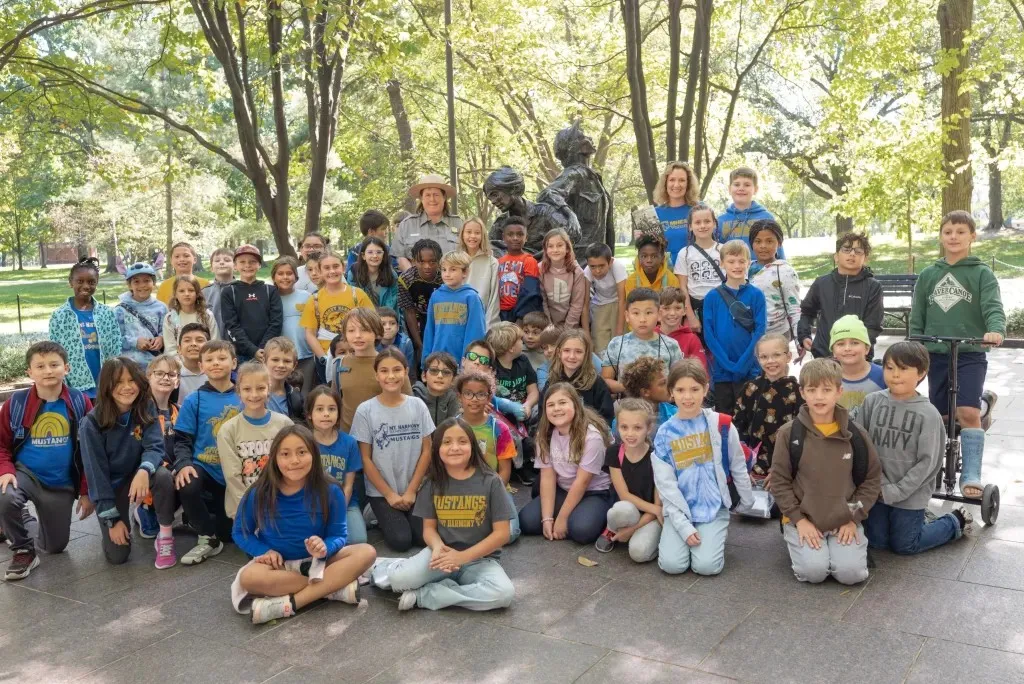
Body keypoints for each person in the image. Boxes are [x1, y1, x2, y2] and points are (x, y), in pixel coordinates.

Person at [231, 425, 377, 624]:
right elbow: (241, 532)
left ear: (314, 454)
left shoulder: (331, 489)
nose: (294, 461)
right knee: (249, 578)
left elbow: (338, 535)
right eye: (285, 454)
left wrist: (325, 548)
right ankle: (332, 589)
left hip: (318, 562)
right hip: (279, 568)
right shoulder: (259, 492)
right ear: (274, 458)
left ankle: (291, 604)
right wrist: (264, 551)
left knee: (366, 552)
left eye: (302, 452)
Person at [910, 210, 1005, 499]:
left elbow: (992, 306)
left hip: (970, 352)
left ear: (972, 236)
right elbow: (918, 314)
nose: (954, 237)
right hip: (936, 352)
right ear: (941, 236)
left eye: (961, 232)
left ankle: (971, 472)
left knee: (967, 413)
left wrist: (995, 330)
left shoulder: (981, 273)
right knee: (939, 415)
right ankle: (932, 466)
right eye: (948, 232)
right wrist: (916, 344)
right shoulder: (929, 275)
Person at [375, 417, 515, 612]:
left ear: (472, 446)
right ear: (437, 449)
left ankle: (426, 595)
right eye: (447, 442)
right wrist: (438, 547)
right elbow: (429, 529)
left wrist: (462, 557)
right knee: (399, 580)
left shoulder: (491, 481)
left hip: (480, 559)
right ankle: (386, 566)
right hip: (441, 556)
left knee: (503, 594)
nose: (455, 447)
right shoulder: (432, 483)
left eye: (462, 441)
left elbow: (502, 534)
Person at [853, 341, 974, 555]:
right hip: (878, 489)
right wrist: (881, 485)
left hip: (911, 493)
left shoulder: (928, 414)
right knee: (876, 541)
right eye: (890, 367)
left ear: (921, 373)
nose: (895, 375)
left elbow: (928, 463)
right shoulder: (872, 402)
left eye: (903, 368)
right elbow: (862, 447)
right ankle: (916, 520)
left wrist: (898, 490)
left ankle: (955, 521)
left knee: (905, 545)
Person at [769, 358, 881, 585]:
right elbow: (779, 481)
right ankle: (799, 540)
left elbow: (871, 480)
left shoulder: (856, 435)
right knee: (814, 573)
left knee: (851, 575)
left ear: (839, 392)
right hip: (803, 518)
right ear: (802, 392)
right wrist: (799, 520)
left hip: (844, 519)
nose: (819, 397)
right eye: (812, 390)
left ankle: (836, 549)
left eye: (826, 390)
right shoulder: (789, 434)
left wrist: (853, 518)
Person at [0, 342, 93, 580]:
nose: (48, 371)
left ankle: (18, 520)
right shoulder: (16, 404)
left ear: (66, 368)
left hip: (60, 482)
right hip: (26, 474)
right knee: (5, 496)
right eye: (40, 366)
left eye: (54, 365)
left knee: (54, 547)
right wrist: (5, 470)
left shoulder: (80, 402)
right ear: (29, 372)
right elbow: (1, 444)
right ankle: (23, 550)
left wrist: (85, 491)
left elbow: (89, 451)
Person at [653, 359, 754, 576]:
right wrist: (682, 526)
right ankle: (678, 537)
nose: (687, 397)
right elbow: (666, 485)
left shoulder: (722, 424)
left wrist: (746, 502)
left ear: (706, 389)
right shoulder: (664, 433)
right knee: (673, 565)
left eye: (694, 389)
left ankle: (713, 536)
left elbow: (737, 465)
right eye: (680, 390)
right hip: (680, 509)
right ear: (671, 392)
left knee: (706, 567)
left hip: (713, 508)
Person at [80, 357, 176, 566]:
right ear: (107, 386)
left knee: (162, 476)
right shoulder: (91, 423)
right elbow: (96, 475)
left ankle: (165, 535)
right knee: (117, 556)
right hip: (112, 485)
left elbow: (154, 446)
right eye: (118, 382)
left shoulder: (145, 406)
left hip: (139, 475)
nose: (127, 387)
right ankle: (120, 520)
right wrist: (112, 520)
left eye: (131, 380)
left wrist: (144, 470)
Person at [351, 348, 435, 552]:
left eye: (397, 370)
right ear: (376, 375)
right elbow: (365, 458)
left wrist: (412, 491)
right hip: (382, 492)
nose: (391, 376)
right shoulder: (365, 410)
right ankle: (374, 512)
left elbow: (427, 451)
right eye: (384, 371)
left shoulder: (418, 406)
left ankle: (402, 511)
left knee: (422, 538)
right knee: (401, 540)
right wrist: (389, 495)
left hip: (413, 488)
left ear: (406, 371)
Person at [172, 340, 243, 564]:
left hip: (236, 472)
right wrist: (184, 464)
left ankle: (219, 526)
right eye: (209, 360)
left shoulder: (244, 396)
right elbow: (181, 440)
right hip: (205, 468)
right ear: (201, 366)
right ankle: (206, 535)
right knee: (187, 482)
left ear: (234, 363)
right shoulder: (194, 399)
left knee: (229, 536)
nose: (216, 363)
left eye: (222, 358)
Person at [518, 383, 613, 544]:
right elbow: (547, 477)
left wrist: (562, 519)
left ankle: (598, 513)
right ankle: (572, 513)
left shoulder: (591, 437)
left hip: (594, 491)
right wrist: (547, 519)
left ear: (576, 405)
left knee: (582, 531)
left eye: (562, 403)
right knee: (527, 522)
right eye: (550, 405)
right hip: (563, 488)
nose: (556, 408)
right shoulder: (544, 435)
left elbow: (582, 482)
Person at [219, 361, 294, 520]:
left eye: (260, 388)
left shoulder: (284, 424)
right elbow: (233, 477)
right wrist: (250, 510)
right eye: (247, 389)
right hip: (244, 508)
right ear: (238, 391)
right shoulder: (228, 430)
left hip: (281, 505)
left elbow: (291, 468)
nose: (254, 395)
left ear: (269, 388)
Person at [702, 240, 767, 413]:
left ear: (749, 263)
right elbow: (709, 334)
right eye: (731, 261)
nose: (737, 266)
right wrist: (727, 364)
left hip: (750, 369)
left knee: (750, 414)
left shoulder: (756, 295)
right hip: (722, 371)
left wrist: (743, 364)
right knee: (725, 416)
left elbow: (760, 331)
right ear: (722, 263)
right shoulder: (712, 297)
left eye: (741, 261)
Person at [595, 398, 662, 561]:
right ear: (617, 426)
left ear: (649, 428)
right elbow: (624, 495)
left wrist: (633, 529)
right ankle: (611, 529)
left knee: (639, 553)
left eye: (637, 428)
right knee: (622, 510)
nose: (630, 434)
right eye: (624, 427)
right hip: (628, 509)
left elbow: (658, 505)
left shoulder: (657, 457)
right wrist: (656, 510)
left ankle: (646, 538)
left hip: (649, 516)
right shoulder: (614, 452)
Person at [456, 371, 520, 542]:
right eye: (468, 393)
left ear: (489, 397)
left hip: (495, 489)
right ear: (459, 396)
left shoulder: (499, 428)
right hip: (460, 490)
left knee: (511, 533)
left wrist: (490, 496)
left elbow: (505, 470)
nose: (474, 399)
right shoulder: (451, 427)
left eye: (481, 394)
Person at [798, 232, 883, 360]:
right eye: (846, 249)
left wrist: (857, 348)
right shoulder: (821, 283)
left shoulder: (873, 286)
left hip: (858, 358)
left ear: (865, 259)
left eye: (858, 251)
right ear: (836, 256)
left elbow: (873, 324)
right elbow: (806, 312)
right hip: (824, 354)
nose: (852, 254)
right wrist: (804, 335)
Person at [732, 333, 803, 481]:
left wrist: (782, 468)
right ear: (758, 359)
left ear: (788, 356)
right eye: (764, 357)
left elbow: (800, 436)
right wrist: (742, 465)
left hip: (786, 470)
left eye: (776, 355)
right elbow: (737, 427)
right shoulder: (750, 389)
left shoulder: (799, 392)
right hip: (752, 469)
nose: (770, 361)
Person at [331, 308, 413, 432]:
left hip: (384, 436)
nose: (357, 335)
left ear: (377, 332)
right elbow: (334, 402)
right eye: (351, 330)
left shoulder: (393, 364)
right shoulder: (339, 364)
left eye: (364, 330)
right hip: (349, 436)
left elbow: (409, 405)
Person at [49, 257, 121, 398]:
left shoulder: (106, 313)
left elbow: (116, 345)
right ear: (71, 282)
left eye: (91, 282)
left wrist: (115, 375)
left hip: (105, 383)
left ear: (97, 283)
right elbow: (54, 350)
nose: (86, 286)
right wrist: (62, 381)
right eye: (80, 281)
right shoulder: (60, 316)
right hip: (75, 384)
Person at [307, 386, 367, 544]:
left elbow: (348, 485)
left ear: (339, 413)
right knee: (309, 540)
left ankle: (365, 515)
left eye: (332, 409)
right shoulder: (304, 442)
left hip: (344, 503)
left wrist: (337, 511)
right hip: (312, 504)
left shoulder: (349, 442)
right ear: (309, 414)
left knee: (359, 540)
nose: (326, 413)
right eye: (319, 409)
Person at [601, 288, 684, 395]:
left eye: (648, 312)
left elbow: (679, 381)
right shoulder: (616, 344)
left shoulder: (671, 345)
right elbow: (605, 381)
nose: (642, 319)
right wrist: (631, 387)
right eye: (636, 313)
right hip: (626, 404)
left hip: (662, 404)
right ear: (627, 316)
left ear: (659, 314)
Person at [133, 353, 179, 542]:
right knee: (161, 475)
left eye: (171, 374)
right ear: (148, 377)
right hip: (151, 471)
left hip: (174, 469)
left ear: (177, 381)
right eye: (159, 373)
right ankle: (144, 508)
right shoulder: (139, 412)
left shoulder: (179, 410)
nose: (165, 378)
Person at [301, 249, 373, 364]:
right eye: (326, 268)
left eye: (336, 266)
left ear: (343, 268)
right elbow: (310, 333)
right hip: (327, 355)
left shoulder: (357, 294)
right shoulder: (314, 300)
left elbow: (372, 325)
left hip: (356, 354)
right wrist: (323, 358)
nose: (332, 271)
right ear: (320, 271)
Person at [421, 250, 487, 367]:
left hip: (461, 363)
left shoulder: (471, 297)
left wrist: (468, 363)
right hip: (437, 361)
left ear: (465, 272)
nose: (447, 274)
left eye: (453, 269)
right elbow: (429, 330)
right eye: (444, 269)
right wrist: (425, 361)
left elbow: (476, 333)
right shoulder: (436, 296)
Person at [222, 244, 283, 364]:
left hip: (267, 353)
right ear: (235, 266)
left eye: (252, 262)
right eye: (242, 262)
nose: (247, 265)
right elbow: (231, 325)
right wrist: (252, 350)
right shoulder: (229, 292)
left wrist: (262, 349)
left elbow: (276, 323)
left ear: (259, 265)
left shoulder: (270, 290)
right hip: (241, 354)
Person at [392, 174, 463, 271]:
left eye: (436, 195)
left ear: (444, 197)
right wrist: (414, 278)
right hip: (416, 280)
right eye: (428, 195)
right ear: (421, 198)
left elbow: (469, 254)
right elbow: (400, 257)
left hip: (453, 280)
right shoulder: (407, 225)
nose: (432, 199)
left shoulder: (459, 224)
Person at [544, 329, 614, 425]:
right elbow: (543, 417)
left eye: (578, 351)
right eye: (567, 350)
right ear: (559, 353)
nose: (572, 356)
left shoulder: (596, 383)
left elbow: (606, 418)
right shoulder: (551, 382)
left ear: (586, 354)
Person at [637, 161, 701, 266]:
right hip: (665, 272)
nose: (676, 185)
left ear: (688, 184)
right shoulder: (653, 215)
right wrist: (641, 240)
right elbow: (648, 251)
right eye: (672, 180)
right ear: (665, 183)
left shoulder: (699, 209)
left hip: (696, 269)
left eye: (682, 180)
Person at [673, 203, 723, 335]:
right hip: (696, 309)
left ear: (714, 224)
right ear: (690, 226)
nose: (702, 226)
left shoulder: (724, 250)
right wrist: (690, 316)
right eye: (697, 222)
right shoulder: (684, 253)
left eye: (707, 221)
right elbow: (683, 287)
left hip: (722, 308)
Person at [748, 220, 801, 342]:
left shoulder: (785, 271)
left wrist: (800, 342)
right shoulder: (744, 268)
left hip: (777, 336)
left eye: (769, 241)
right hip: (749, 336)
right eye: (758, 241)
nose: (763, 246)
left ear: (779, 243)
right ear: (751, 243)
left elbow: (794, 308)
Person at [397, 238, 443, 371]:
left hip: (441, 318)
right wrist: (419, 343)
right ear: (413, 261)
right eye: (421, 261)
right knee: (419, 358)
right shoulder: (406, 279)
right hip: (417, 321)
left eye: (432, 261)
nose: (427, 266)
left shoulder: (444, 277)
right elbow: (409, 311)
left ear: (439, 260)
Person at [271, 256, 316, 393]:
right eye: (280, 273)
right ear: (273, 277)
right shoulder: (270, 298)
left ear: (296, 277)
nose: (285, 277)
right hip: (280, 356)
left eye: (289, 273)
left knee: (304, 393)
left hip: (305, 354)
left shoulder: (306, 296)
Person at [115, 262, 167, 370]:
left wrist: (161, 338)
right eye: (136, 282)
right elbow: (114, 338)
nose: (142, 285)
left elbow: (167, 331)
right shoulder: (120, 310)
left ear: (153, 283)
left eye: (147, 281)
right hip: (129, 367)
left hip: (156, 366)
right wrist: (135, 342)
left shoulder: (161, 308)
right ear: (129, 285)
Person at [717, 167, 780, 255]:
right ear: (729, 189)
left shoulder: (767, 218)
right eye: (736, 185)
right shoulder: (720, 221)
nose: (741, 188)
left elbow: (778, 248)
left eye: (747, 185)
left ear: (756, 189)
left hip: (762, 264)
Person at [487, 322, 540, 424]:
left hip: (523, 412)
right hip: (499, 416)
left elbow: (533, 391)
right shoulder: (491, 367)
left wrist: (528, 405)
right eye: (520, 339)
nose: (523, 341)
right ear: (511, 348)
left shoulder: (523, 361)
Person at [831, 315, 886, 411]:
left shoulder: (884, 376)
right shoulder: (827, 378)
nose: (847, 348)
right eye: (840, 344)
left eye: (854, 343)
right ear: (833, 351)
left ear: (867, 348)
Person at [539, 228, 588, 329]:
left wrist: (567, 330)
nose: (555, 250)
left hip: (570, 325)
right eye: (550, 246)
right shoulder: (540, 269)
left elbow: (576, 305)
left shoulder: (576, 272)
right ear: (546, 249)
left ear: (567, 248)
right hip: (547, 325)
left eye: (560, 245)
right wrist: (549, 328)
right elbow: (542, 301)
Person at [496, 219, 543, 322]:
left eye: (520, 234)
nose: (515, 238)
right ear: (503, 237)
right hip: (499, 313)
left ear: (526, 237)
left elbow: (530, 292)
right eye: (510, 234)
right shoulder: (498, 262)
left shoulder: (529, 261)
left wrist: (521, 317)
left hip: (520, 314)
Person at [583, 243, 627, 353]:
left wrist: (619, 332)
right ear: (588, 264)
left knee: (619, 343)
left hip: (618, 303)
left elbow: (622, 300)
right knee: (599, 344)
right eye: (593, 267)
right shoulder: (587, 271)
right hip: (600, 304)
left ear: (610, 262)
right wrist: (586, 335)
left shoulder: (618, 267)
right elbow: (585, 304)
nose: (597, 271)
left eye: (601, 266)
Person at [162, 274, 219, 356]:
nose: (186, 294)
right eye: (181, 291)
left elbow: (215, 342)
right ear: (175, 294)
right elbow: (170, 348)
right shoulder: (171, 318)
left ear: (197, 293)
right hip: (178, 361)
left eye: (191, 290)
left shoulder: (207, 315)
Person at [656, 287, 708, 373]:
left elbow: (700, 372)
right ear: (658, 311)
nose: (672, 313)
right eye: (666, 308)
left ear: (684, 310)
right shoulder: (649, 336)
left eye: (677, 308)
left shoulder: (692, 339)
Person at [459, 217, 500, 326]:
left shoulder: (492, 262)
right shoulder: (456, 260)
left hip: (482, 321)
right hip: (459, 320)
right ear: (462, 234)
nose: (473, 236)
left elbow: (494, 298)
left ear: (483, 236)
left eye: (477, 233)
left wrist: (489, 326)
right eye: (468, 232)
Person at [620, 357, 677, 430]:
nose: (669, 385)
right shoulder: (623, 421)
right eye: (663, 383)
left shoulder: (675, 414)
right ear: (645, 392)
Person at [347, 237, 400, 314]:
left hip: (386, 317)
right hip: (362, 316)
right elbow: (353, 301)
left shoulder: (391, 274)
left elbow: (393, 305)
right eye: (370, 252)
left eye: (379, 252)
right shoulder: (354, 273)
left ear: (383, 255)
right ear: (363, 256)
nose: (375, 256)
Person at [264, 337, 306, 425]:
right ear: (264, 361)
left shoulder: (296, 398)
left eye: (287, 361)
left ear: (294, 365)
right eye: (275, 360)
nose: (281, 365)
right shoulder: (250, 393)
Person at [624, 234, 680, 301]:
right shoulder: (632, 281)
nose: (649, 260)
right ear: (638, 257)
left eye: (654, 256)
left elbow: (674, 305)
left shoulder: (672, 280)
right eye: (644, 256)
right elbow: (631, 305)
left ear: (663, 258)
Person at [414, 351, 461, 426]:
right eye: (434, 370)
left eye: (446, 372)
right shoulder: (414, 397)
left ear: (453, 380)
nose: (440, 376)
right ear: (424, 376)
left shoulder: (455, 400)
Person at [202, 247, 236, 335]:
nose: (221, 262)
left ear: (235, 266)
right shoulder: (204, 293)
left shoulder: (242, 290)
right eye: (217, 261)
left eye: (227, 260)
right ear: (211, 268)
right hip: (212, 339)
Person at [176, 323, 210, 403]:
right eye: (187, 340)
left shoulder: (216, 373)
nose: (193, 344)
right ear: (179, 349)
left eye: (200, 340)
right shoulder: (173, 376)